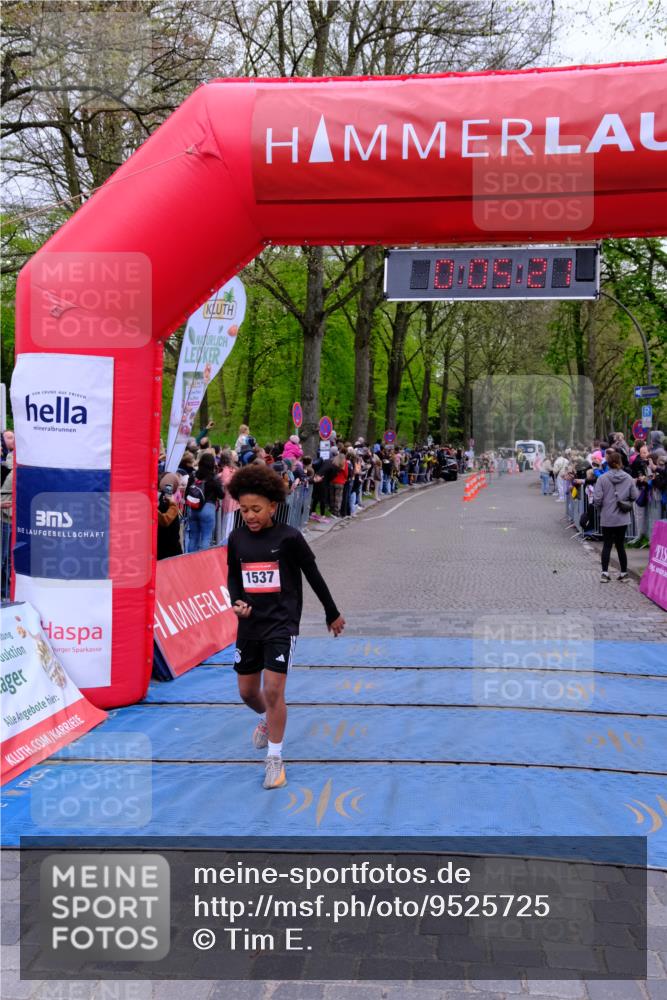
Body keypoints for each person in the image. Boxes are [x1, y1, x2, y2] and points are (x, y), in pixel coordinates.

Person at [226, 464, 345, 789]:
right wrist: (236, 601)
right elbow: (234, 578)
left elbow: (313, 575)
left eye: (256, 509)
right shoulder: (236, 539)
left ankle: (275, 761)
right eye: (244, 509)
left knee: (274, 691)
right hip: (250, 626)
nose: (249, 515)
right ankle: (268, 719)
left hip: (281, 624)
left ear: (273, 507)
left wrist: (331, 612)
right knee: (248, 692)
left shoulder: (290, 538)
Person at [593, 450, 638, 583]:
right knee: (620, 545)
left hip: (607, 516)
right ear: (620, 462)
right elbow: (635, 496)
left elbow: (597, 499)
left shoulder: (602, 478)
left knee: (607, 545)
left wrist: (601, 506)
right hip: (622, 517)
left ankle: (605, 574)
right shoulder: (629, 478)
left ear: (608, 463)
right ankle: (624, 573)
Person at [185, 453, 224, 552]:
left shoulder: (193, 475)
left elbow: (186, 494)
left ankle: (189, 561)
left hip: (193, 508)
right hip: (208, 508)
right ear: (212, 464)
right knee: (206, 538)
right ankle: (202, 563)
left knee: (193, 537)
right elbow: (221, 495)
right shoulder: (213, 478)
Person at [157, 473, 183, 560]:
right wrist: (173, 505)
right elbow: (166, 520)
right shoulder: (171, 505)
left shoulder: (157, 500)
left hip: (159, 547)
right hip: (172, 549)